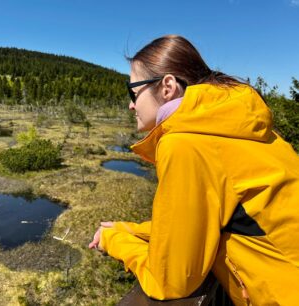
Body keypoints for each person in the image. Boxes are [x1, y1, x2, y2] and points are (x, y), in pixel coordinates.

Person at [89, 35, 299, 305]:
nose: (131, 104)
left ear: (167, 87)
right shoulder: (235, 127)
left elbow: (169, 281)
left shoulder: (184, 143)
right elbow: (199, 226)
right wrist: (130, 228)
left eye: (133, 92)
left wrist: (113, 241)